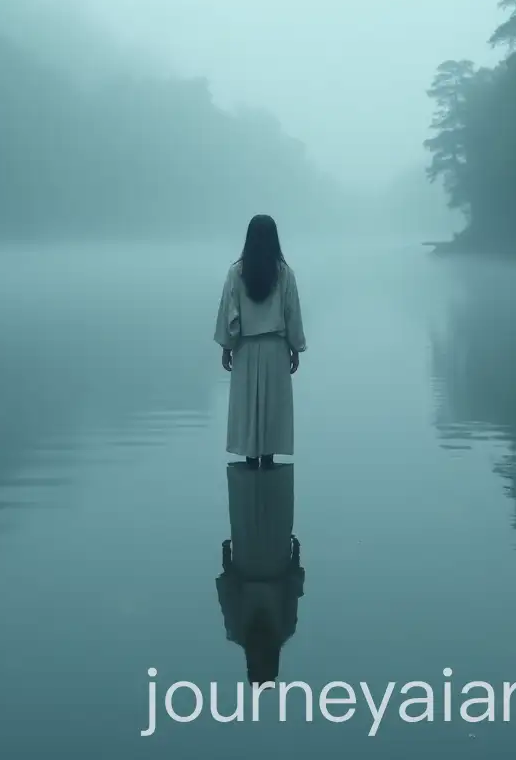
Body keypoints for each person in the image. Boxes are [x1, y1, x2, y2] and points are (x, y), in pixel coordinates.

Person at [214, 215, 306, 467]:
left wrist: (226, 348)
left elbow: (229, 313)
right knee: (272, 416)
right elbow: (292, 314)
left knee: (247, 416)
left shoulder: (236, 272)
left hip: (244, 349)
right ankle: (269, 469)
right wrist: (296, 348)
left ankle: (250, 468)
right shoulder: (285, 273)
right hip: (276, 351)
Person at [216, 461, 304, 686]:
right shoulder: (246, 632)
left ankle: (257, 458)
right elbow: (228, 592)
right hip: (260, 559)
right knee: (251, 500)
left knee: (263, 499)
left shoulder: (279, 631)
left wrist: (296, 558)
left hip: (262, 559)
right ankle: (259, 458)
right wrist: (226, 557)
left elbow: (229, 593)